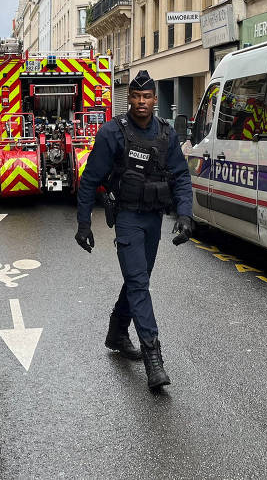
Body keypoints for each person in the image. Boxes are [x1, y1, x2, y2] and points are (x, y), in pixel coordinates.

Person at [74, 70, 194, 391]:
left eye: (147, 97)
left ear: (155, 100)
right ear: (130, 98)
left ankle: (116, 332)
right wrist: (84, 222)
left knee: (137, 280)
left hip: (152, 219)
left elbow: (181, 177)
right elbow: (90, 179)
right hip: (126, 217)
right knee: (139, 283)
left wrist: (185, 215)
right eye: (136, 97)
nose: (141, 103)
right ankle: (153, 357)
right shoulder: (113, 132)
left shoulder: (166, 135)